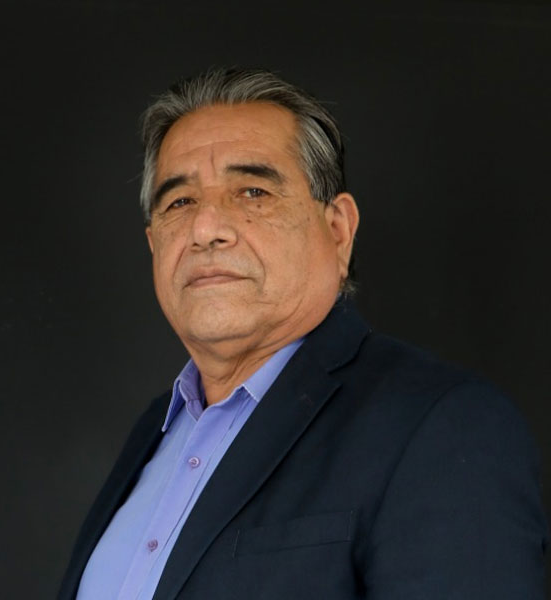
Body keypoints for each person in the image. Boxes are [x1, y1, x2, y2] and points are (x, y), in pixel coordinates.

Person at [58, 67, 547, 599]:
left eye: (252, 191)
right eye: (180, 202)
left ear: (338, 231)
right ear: (154, 245)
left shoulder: (441, 426)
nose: (205, 229)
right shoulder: (153, 431)